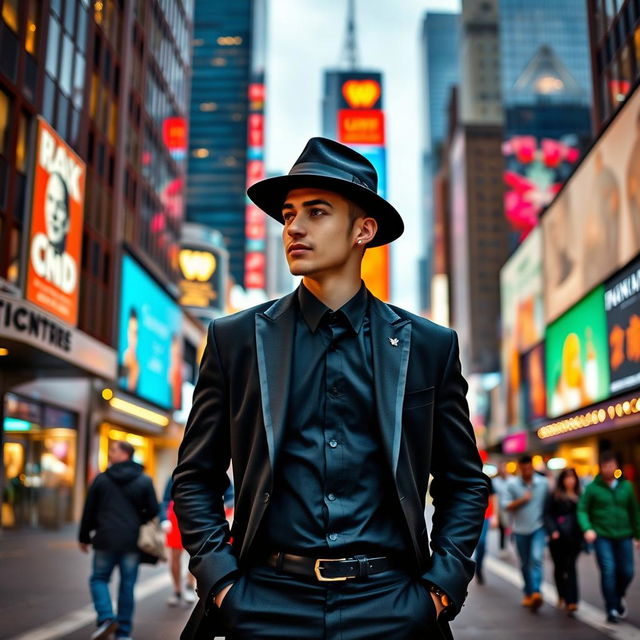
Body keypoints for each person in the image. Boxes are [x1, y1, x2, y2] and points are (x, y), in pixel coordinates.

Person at [173, 137, 490, 640]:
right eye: (288, 213)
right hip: (264, 603)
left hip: (391, 605)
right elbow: (195, 476)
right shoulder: (234, 339)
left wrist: (439, 591)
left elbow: (465, 481)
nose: (293, 227)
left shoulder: (429, 346)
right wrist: (222, 585)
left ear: (364, 230)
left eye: (316, 212)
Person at [78, 441, 159, 640]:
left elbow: (89, 509)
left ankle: (106, 617)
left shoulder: (102, 479)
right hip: (131, 540)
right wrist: (136, 519)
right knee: (127, 586)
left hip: (105, 538)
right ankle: (123, 634)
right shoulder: (144, 480)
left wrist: (84, 536)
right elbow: (153, 510)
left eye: (113, 450)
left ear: (125, 454)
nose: (110, 454)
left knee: (98, 578)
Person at [578, 451, 640, 624]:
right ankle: (611, 607)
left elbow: (634, 511)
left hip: (624, 535)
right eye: (605, 466)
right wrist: (587, 528)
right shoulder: (592, 488)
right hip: (602, 535)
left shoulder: (626, 486)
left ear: (616, 466)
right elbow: (582, 509)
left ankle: (618, 596)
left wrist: (637, 534)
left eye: (612, 465)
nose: (609, 469)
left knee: (627, 571)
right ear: (600, 467)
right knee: (608, 570)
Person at [502, 454, 549, 611]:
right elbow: (506, 506)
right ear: (519, 468)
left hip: (538, 528)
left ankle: (536, 592)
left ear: (533, 467)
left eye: (529, 468)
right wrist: (522, 500)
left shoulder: (543, 483)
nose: (527, 471)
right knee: (524, 563)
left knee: (536, 559)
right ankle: (528, 593)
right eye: (524, 469)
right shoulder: (512, 484)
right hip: (520, 530)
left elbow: (550, 502)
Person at [544, 467, 583, 616]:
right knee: (559, 568)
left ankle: (572, 601)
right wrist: (553, 530)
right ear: (562, 480)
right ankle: (561, 594)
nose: (570, 480)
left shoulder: (580, 495)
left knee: (571, 567)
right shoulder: (555, 495)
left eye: (572, 477)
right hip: (558, 539)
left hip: (574, 539)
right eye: (567, 477)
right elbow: (547, 514)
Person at [160, 476, 197, 607]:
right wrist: (163, 519)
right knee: (175, 557)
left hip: (197, 518)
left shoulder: (206, 471)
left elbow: (228, 493)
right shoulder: (174, 477)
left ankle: (189, 585)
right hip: (175, 518)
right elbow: (165, 500)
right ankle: (177, 590)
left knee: (196, 555)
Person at [491, 462, 511, 559]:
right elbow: (494, 497)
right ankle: (503, 547)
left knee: (511, 529)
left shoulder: (512, 480)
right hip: (500, 509)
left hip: (511, 509)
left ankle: (511, 544)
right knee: (502, 529)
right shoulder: (495, 481)